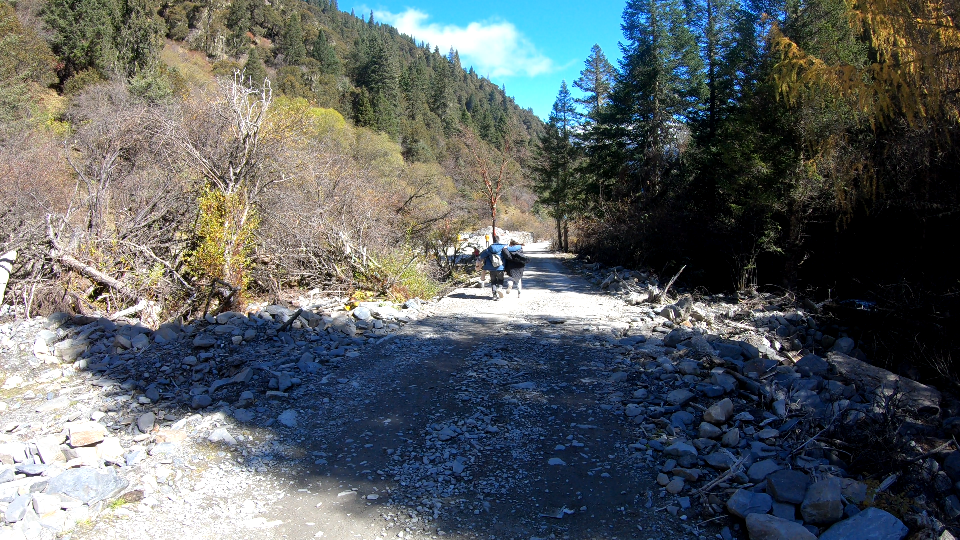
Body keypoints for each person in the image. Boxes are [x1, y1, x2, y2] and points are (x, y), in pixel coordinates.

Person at [479, 235, 509, 300]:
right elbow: (508, 256)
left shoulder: (489, 248)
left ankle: (494, 295)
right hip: (500, 267)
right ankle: (500, 288)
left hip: (491, 268)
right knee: (500, 280)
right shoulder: (503, 247)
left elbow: (480, 256)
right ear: (499, 240)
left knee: (493, 281)